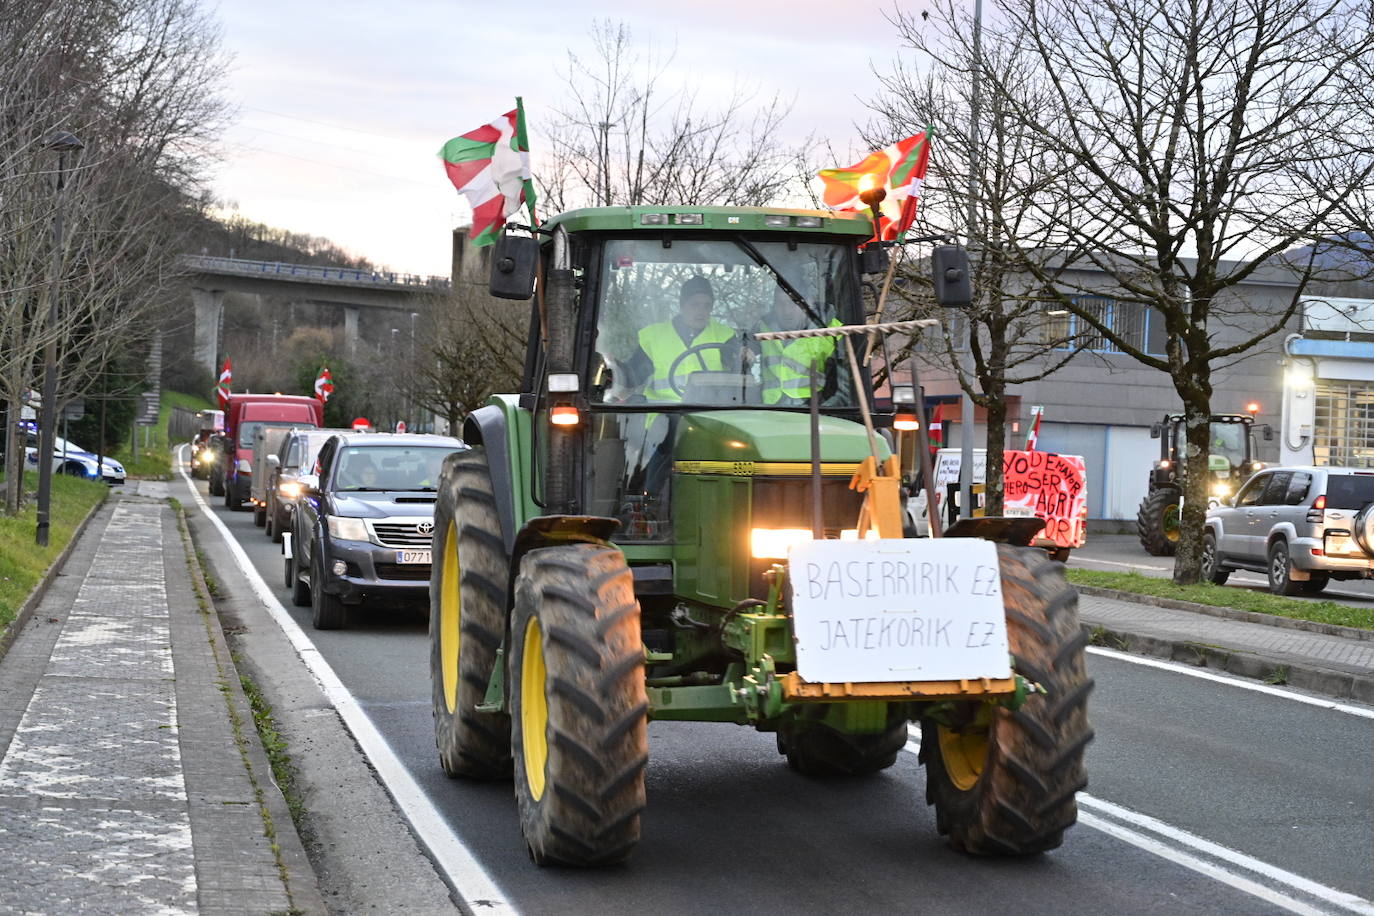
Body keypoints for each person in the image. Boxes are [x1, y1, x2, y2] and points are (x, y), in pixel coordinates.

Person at [621, 276, 743, 402]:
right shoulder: (654, 337)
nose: (701, 311)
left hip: (709, 414)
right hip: (663, 413)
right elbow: (632, 377)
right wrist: (615, 369)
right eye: (694, 305)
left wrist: (744, 356)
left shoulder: (724, 336)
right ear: (682, 305)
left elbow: (739, 369)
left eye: (707, 306)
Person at [755, 286, 839, 405]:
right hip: (770, 409)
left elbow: (845, 382)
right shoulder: (763, 328)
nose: (786, 311)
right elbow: (744, 343)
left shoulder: (834, 331)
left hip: (815, 410)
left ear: (808, 303)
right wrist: (747, 350)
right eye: (780, 304)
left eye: (793, 303)